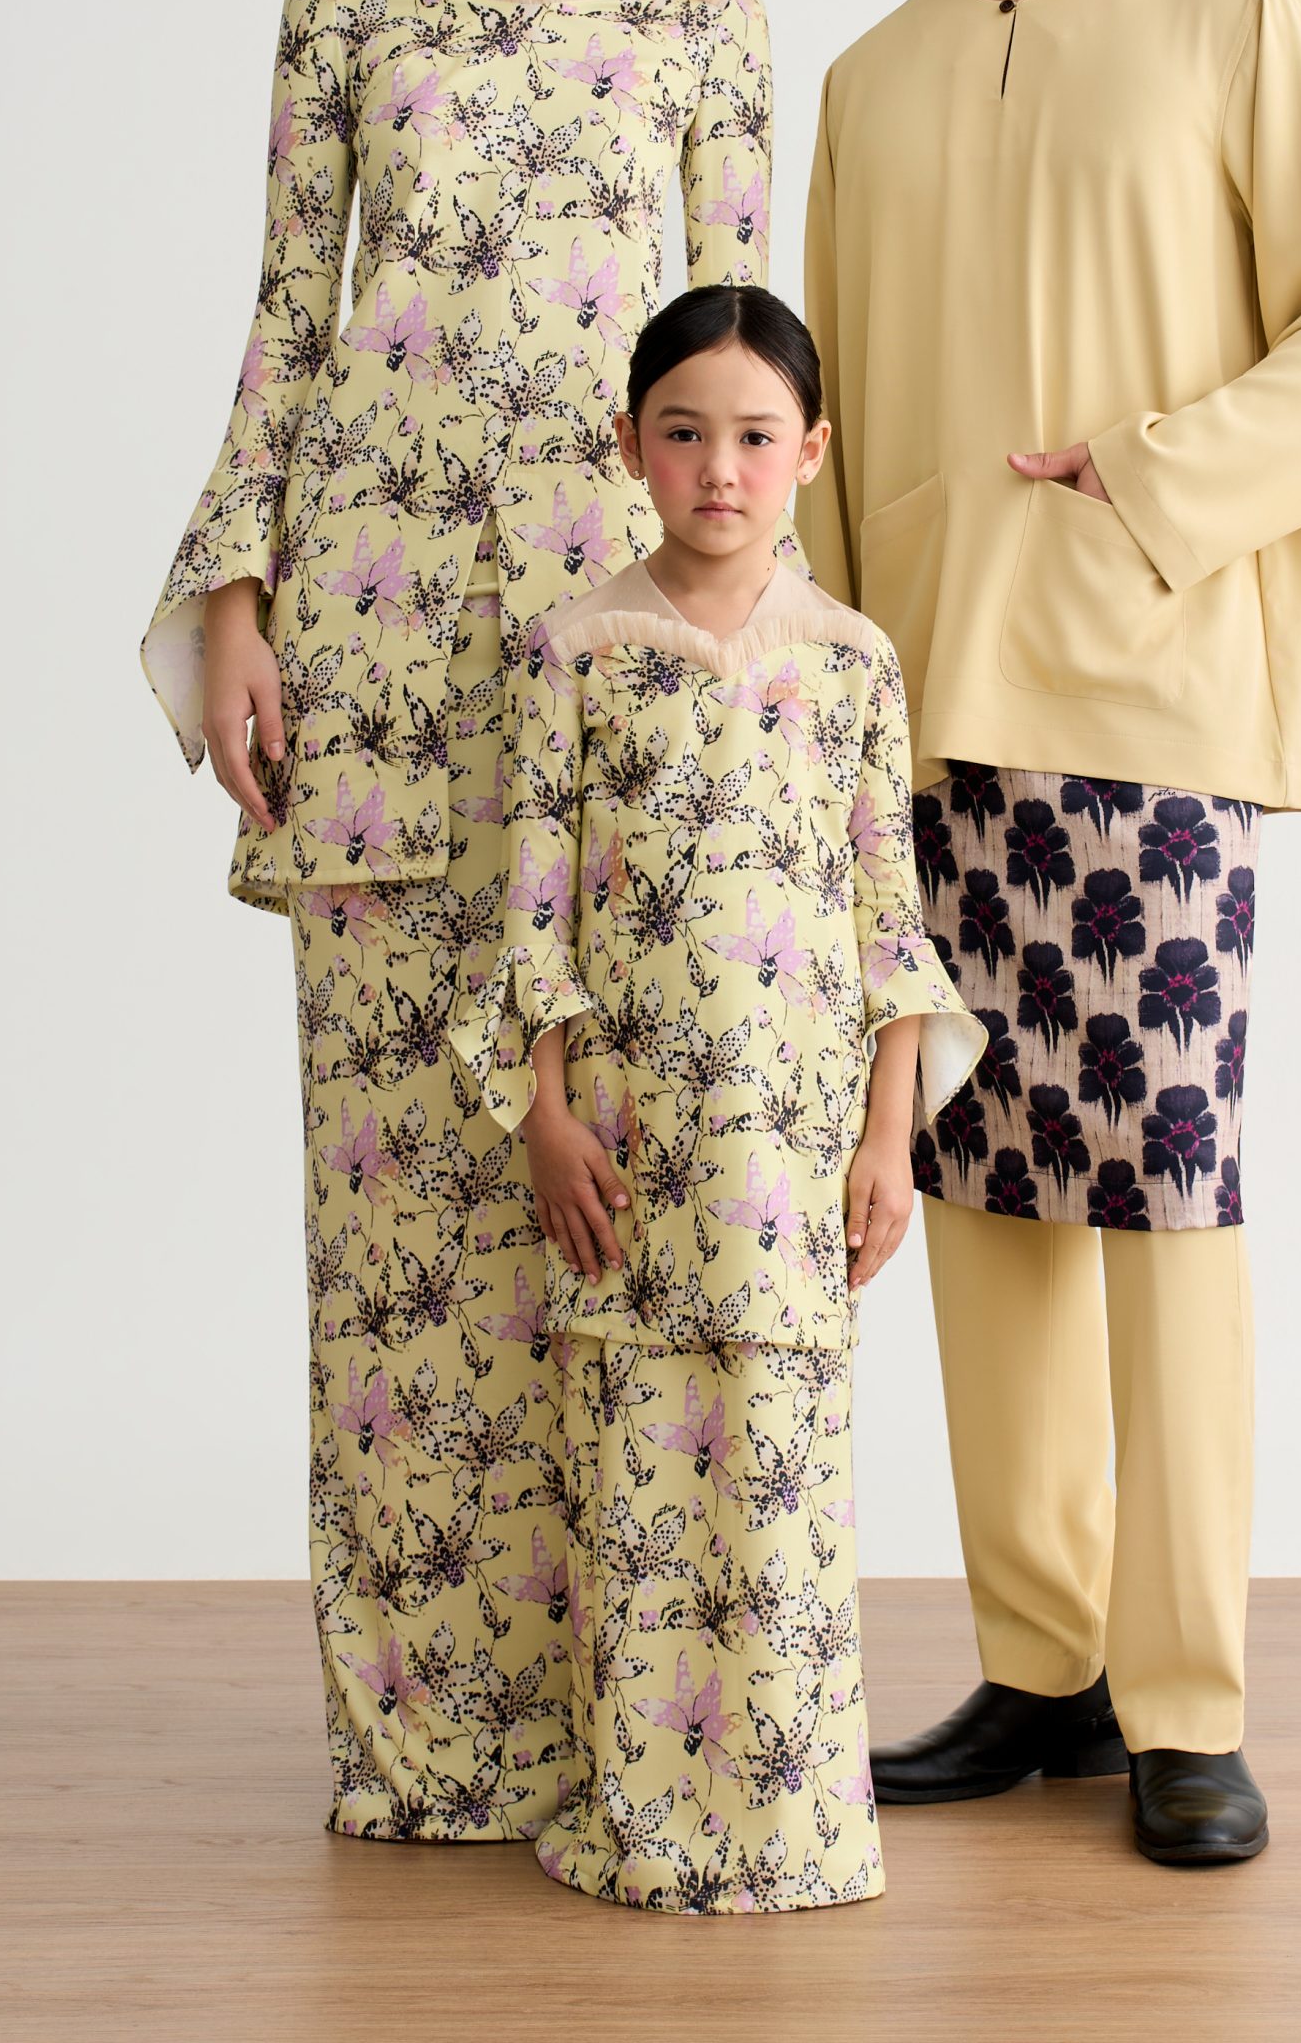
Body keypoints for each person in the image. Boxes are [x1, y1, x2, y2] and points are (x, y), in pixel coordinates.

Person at [798, 0, 1301, 1866]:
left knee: (1161, 1200)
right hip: (922, 704)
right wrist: (822, 698)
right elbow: (823, 407)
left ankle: (1185, 1702)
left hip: (1149, 700)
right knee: (978, 1195)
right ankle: (1046, 1666)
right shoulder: (870, 79)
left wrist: (1157, 481)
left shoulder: (1233, 19)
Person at [139, 0, 777, 1843]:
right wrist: (237, 601)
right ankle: (427, 1739)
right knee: (397, 1209)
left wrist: (757, 667)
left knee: (616, 1196)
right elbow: (284, 319)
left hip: (615, 656)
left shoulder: (707, 17)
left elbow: (743, 350)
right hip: (379, 655)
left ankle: (646, 1725)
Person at [449, 286, 984, 1911]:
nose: (720, 470)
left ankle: (794, 1825)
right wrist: (544, 1117)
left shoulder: (854, 663)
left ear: (810, 451)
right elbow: (533, 911)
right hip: (625, 1149)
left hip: (794, 1152)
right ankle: (649, 1822)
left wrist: (889, 1141)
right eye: (684, 434)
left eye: (756, 436)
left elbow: (890, 923)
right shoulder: (575, 652)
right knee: (637, 1473)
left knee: (780, 1471)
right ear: (632, 445)